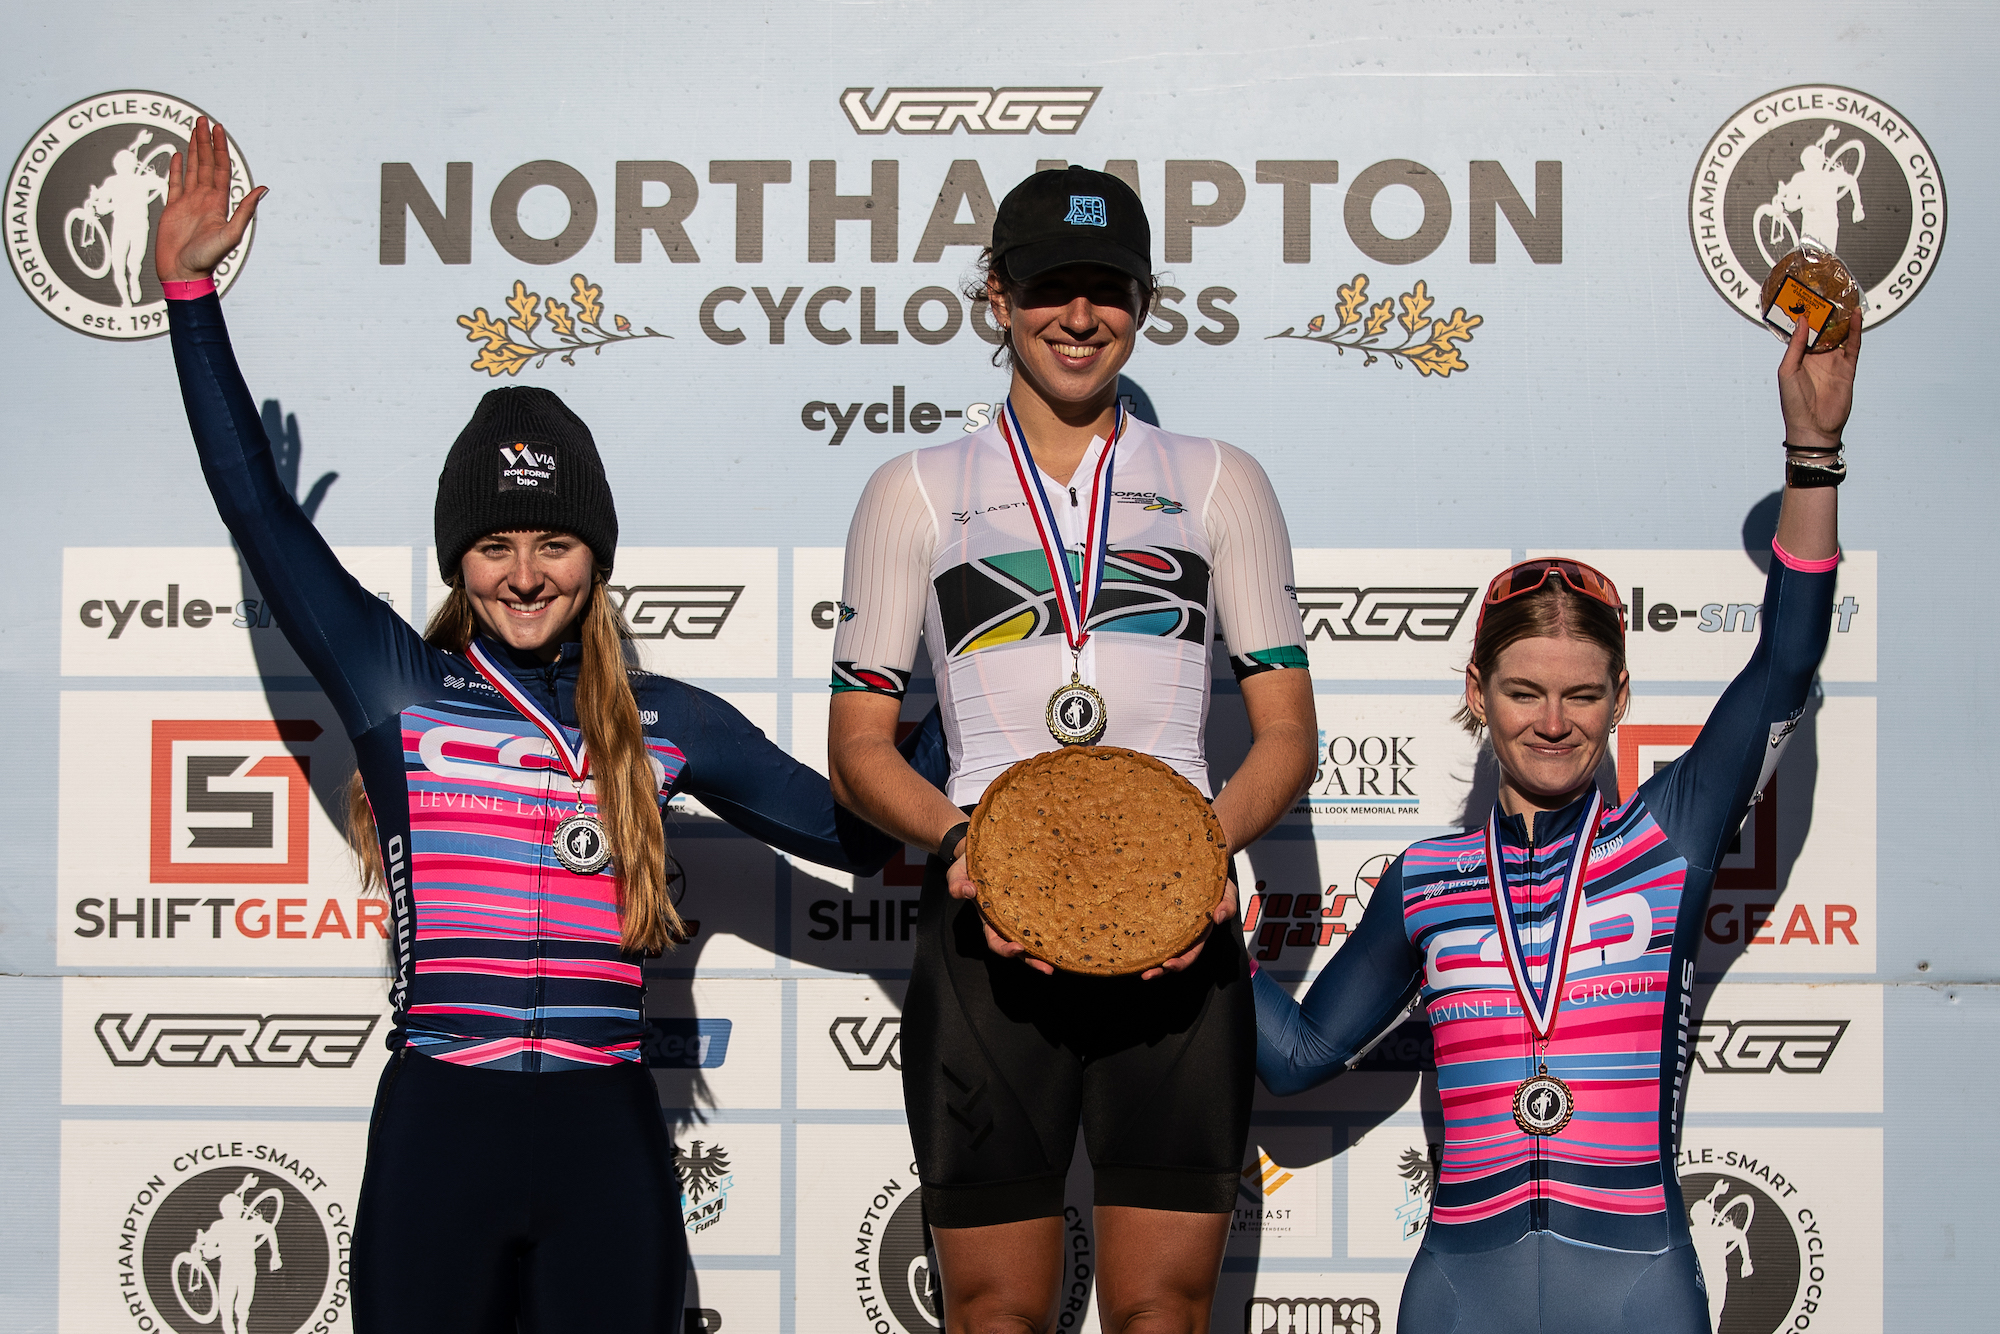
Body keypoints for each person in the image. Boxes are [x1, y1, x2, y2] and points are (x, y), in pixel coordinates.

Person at [154, 117, 919, 1334]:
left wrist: (955, 716)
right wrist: (190, 295)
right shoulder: (393, 682)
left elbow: (861, 825)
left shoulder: (669, 721)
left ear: (595, 559)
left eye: (553, 542)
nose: (523, 574)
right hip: (439, 1128)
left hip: (601, 1137)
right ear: (459, 558)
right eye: (495, 544)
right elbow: (257, 511)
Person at [1251, 315, 1858, 1333]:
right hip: (1458, 1283)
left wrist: (1811, 452)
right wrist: (1180, 931)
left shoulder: (1666, 834)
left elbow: (1785, 662)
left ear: (1618, 695)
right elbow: (1297, 1053)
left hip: (1632, 1280)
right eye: (1523, 689)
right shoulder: (1426, 879)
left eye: (1579, 694)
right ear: (1476, 692)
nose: (1549, 719)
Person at [827, 166, 1318, 1333]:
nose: (1078, 315)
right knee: (994, 1312)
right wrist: (971, 849)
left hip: (1180, 945)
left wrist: (1188, 860)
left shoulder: (1216, 480)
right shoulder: (910, 490)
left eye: (1106, 288)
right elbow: (858, 748)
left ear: (1143, 301)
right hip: (984, 940)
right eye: (1050, 286)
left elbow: (1286, 735)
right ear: (995, 295)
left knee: (1164, 1309)